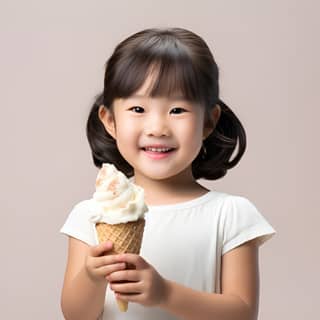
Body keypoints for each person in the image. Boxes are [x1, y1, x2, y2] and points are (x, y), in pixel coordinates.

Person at [60, 27, 276, 320]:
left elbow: (242, 313)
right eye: (138, 108)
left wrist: (165, 294)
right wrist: (91, 276)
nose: (158, 127)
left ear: (208, 122)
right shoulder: (91, 214)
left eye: (177, 110)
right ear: (109, 120)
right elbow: (75, 315)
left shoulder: (230, 214)